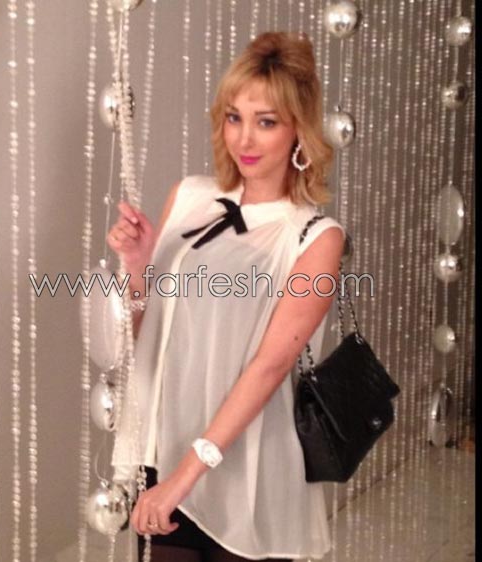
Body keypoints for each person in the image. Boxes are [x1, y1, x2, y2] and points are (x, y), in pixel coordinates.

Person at [107, 31, 345, 562]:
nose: (245, 139)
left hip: (248, 465)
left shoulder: (313, 236)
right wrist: (140, 267)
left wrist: (185, 477)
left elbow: (269, 368)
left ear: (298, 130)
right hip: (163, 450)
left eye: (267, 122)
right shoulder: (189, 198)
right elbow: (151, 338)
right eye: (235, 117)